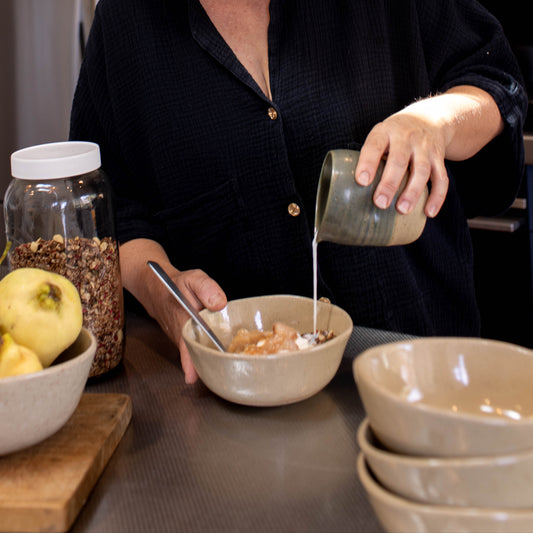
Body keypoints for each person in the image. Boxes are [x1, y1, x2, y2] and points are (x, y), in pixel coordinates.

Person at [70, 0, 527, 384]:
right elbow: (111, 211)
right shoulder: (127, 22)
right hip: (242, 399)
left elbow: (495, 82)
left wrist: (435, 123)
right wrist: (162, 291)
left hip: (422, 372)